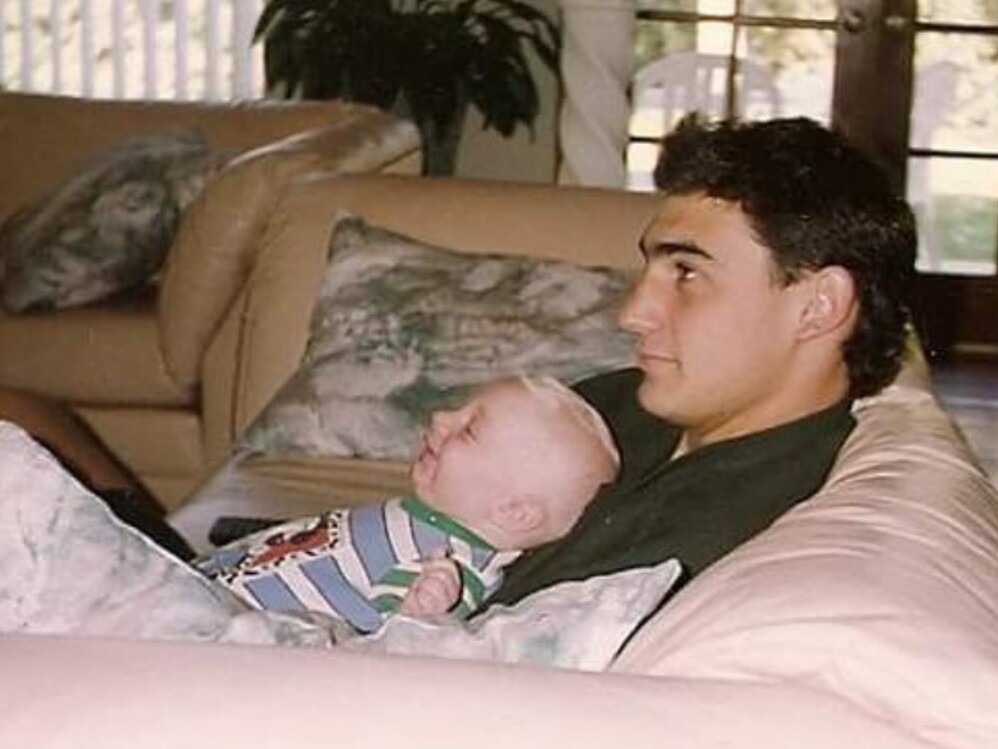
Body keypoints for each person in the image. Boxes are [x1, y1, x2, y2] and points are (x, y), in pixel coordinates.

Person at [490, 115, 917, 606]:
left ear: (818, 306)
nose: (632, 314)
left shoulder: (729, 537)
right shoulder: (614, 404)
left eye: (687, 273)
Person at [195, 375, 621, 633]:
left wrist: (418, 616)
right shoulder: (429, 523)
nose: (440, 419)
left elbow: (393, 645)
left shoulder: (447, 565)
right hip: (207, 585)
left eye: (468, 430)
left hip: (217, 627)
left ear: (513, 512)